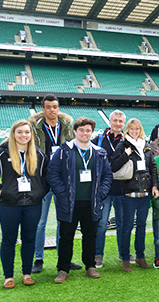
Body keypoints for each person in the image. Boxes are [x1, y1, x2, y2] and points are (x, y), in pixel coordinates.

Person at [0, 119, 49, 288]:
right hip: (9, 205)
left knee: (29, 239)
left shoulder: (39, 154)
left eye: (27, 132)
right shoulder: (2, 153)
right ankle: (8, 276)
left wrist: (40, 191)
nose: (23, 135)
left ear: (31, 135)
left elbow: (48, 177)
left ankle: (26, 273)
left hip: (33, 205)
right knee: (8, 240)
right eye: (19, 132)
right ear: (13, 134)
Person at [47, 117, 113, 283]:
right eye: (82, 130)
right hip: (69, 202)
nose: (85, 133)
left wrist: (101, 193)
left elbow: (107, 175)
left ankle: (90, 266)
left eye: (88, 130)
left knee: (90, 235)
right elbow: (52, 174)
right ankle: (63, 269)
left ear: (92, 133)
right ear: (75, 131)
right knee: (66, 237)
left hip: (91, 202)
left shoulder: (99, 152)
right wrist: (62, 194)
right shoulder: (64, 150)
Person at [28, 94, 76, 274]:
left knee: (62, 221)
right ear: (43, 109)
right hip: (42, 181)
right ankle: (38, 258)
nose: (52, 110)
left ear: (58, 109)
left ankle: (62, 258)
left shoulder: (67, 128)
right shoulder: (35, 129)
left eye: (55, 107)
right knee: (40, 222)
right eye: (48, 107)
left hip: (63, 181)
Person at [111, 118, 159, 271]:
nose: (134, 131)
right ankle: (125, 257)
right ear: (127, 130)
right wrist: (125, 154)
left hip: (144, 193)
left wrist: (154, 186)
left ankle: (140, 256)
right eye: (132, 129)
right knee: (126, 227)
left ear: (141, 130)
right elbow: (113, 166)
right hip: (128, 193)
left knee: (142, 226)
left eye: (137, 129)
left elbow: (152, 167)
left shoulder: (145, 146)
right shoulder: (123, 144)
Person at [91, 109, 126, 269]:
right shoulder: (98, 139)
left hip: (122, 188)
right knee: (101, 224)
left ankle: (124, 253)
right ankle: (98, 255)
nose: (118, 123)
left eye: (121, 121)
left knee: (123, 223)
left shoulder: (128, 139)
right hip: (104, 190)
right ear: (109, 121)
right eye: (115, 120)